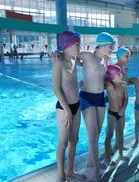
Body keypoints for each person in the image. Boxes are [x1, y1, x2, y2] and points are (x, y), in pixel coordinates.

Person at [78, 32, 115, 180]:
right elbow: (69, 57)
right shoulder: (87, 56)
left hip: (100, 98)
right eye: (110, 46)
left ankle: (91, 161)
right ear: (102, 45)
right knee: (92, 135)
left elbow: (102, 80)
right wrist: (57, 57)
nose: (111, 49)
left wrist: (110, 83)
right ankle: (94, 168)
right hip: (87, 97)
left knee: (97, 133)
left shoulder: (102, 63)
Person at [52, 30, 86, 182]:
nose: (79, 48)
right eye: (76, 45)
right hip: (64, 107)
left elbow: (86, 64)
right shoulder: (58, 64)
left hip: (76, 105)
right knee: (63, 142)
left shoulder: (74, 61)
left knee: (74, 140)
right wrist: (67, 110)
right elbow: (56, 89)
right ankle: (61, 175)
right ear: (66, 46)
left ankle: (70, 171)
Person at [104, 65, 130, 166]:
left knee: (121, 133)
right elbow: (101, 79)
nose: (121, 75)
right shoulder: (109, 85)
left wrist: (123, 109)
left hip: (121, 113)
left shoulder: (124, 85)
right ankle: (108, 158)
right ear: (113, 76)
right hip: (112, 113)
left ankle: (121, 154)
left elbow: (126, 98)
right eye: (118, 74)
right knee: (110, 134)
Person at [112, 46, 131, 151]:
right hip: (114, 102)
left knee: (121, 125)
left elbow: (125, 88)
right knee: (114, 125)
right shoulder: (113, 68)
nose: (128, 59)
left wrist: (125, 104)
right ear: (119, 56)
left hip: (123, 100)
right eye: (126, 56)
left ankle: (119, 144)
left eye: (129, 56)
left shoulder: (125, 70)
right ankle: (115, 144)